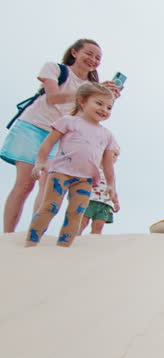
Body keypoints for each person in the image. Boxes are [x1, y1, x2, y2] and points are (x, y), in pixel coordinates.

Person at [2, 38, 121, 233]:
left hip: (60, 135)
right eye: (89, 54)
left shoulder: (92, 87)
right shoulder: (55, 69)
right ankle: (7, 236)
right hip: (32, 126)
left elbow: (88, 116)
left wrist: (105, 98)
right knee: (24, 183)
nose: (93, 60)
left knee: (48, 182)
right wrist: (88, 92)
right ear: (74, 53)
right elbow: (53, 97)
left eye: (98, 57)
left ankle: (35, 232)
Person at [25, 83, 119, 247]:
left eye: (109, 107)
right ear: (82, 101)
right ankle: (31, 242)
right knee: (50, 207)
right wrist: (40, 162)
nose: (104, 109)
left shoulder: (107, 135)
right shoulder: (69, 121)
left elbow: (108, 164)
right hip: (61, 172)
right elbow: (47, 143)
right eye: (99, 103)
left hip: (85, 179)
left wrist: (111, 185)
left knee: (76, 213)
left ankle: (64, 246)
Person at [78, 150, 120, 235]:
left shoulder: (111, 174)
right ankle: (73, 239)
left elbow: (113, 189)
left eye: (116, 155)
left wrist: (116, 202)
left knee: (99, 225)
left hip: (105, 203)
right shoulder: (93, 168)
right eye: (112, 153)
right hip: (89, 200)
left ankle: (93, 243)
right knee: (82, 222)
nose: (114, 156)